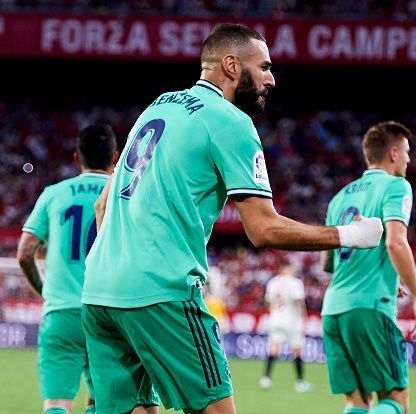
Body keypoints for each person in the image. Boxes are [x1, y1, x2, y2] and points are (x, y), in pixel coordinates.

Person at [81, 23, 383, 414]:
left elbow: (101, 205)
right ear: (231, 65)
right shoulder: (230, 121)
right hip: (161, 290)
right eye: (264, 67)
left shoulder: (157, 106)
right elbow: (262, 228)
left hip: (99, 292)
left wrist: (121, 265)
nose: (272, 79)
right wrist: (351, 234)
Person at [321, 121, 416, 414]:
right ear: (393, 153)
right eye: (406, 151)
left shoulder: (339, 197)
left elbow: (328, 262)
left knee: (357, 403)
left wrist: (385, 274)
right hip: (369, 307)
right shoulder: (397, 186)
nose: (409, 158)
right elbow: (396, 243)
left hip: (333, 310)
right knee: (395, 401)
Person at [16, 124, 118, 414]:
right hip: (108, 311)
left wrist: (45, 290)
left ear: (77, 158)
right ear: (115, 157)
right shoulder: (124, 196)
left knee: (57, 405)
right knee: (103, 403)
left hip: (62, 312)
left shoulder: (54, 194)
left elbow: (25, 253)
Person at [260, 259, 312, 393]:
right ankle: (300, 382)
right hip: (292, 320)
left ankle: (266, 379)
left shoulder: (272, 282)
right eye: (292, 268)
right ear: (286, 269)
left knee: (274, 349)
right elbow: (298, 301)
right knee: (297, 350)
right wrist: (304, 317)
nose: (294, 271)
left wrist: (274, 313)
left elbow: (268, 302)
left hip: (275, 318)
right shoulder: (295, 282)